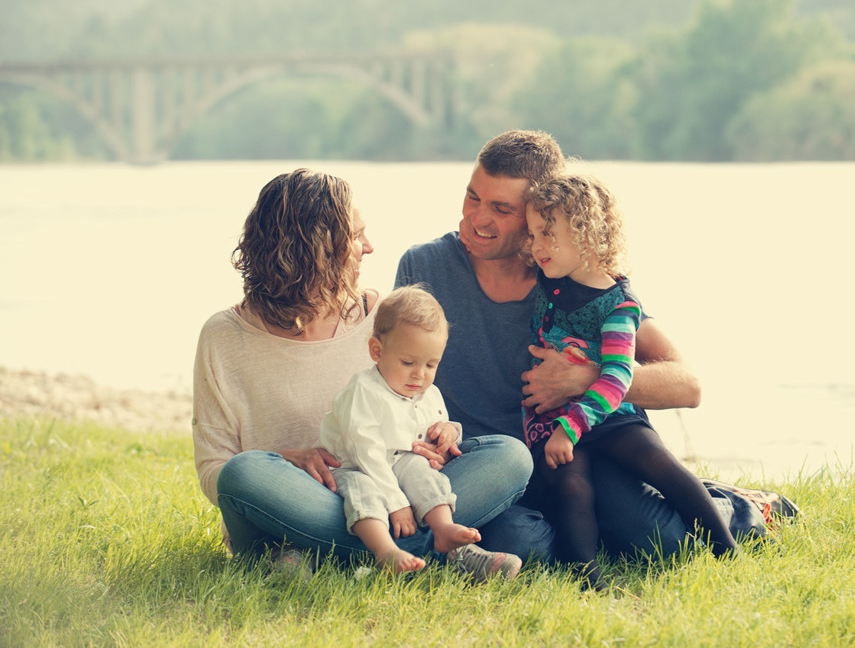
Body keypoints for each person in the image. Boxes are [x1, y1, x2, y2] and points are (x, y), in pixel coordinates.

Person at [395, 129, 750, 564]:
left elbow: (688, 385)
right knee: (523, 545)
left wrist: (586, 378)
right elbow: (395, 373)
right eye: (472, 197)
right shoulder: (424, 265)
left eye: (501, 209)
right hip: (490, 464)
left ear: (542, 213)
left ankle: (741, 504)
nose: (476, 219)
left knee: (663, 542)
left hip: (576, 446)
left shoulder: (575, 273)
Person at [192, 168, 531, 580]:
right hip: (297, 504)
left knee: (509, 456)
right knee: (242, 474)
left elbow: (413, 404)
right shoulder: (224, 335)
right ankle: (417, 551)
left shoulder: (381, 318)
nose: (369, 247)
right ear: (314, 249)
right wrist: (286, 461)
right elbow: (214, 471)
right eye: (356, 236)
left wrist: (432, 443)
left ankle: (334, 553)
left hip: (388, 490)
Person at [523, 173, 739, 590]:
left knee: (659, 462)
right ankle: (587, 577)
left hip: (609, 412)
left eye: (547, 234)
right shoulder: (549, 279)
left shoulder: (618, 306)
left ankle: (727, 548)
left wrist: (571, 427)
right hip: (554, 414)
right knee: (572, 485)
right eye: (533, 234)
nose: (535, 246)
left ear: (587, 235)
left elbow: (618, 377)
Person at [317, 285, 522, 577]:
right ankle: (385, 550)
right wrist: (397, 503)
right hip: (352, 467)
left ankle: (443, 528)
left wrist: (449, 432)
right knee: (365, 491)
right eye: (408, 362)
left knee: (421, 471)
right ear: (377, 350)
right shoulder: (363, 390)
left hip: (400, 463)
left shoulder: (427, 392)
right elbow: (365, 452)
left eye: (431, 364)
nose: (420, 374)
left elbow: (433, 432)